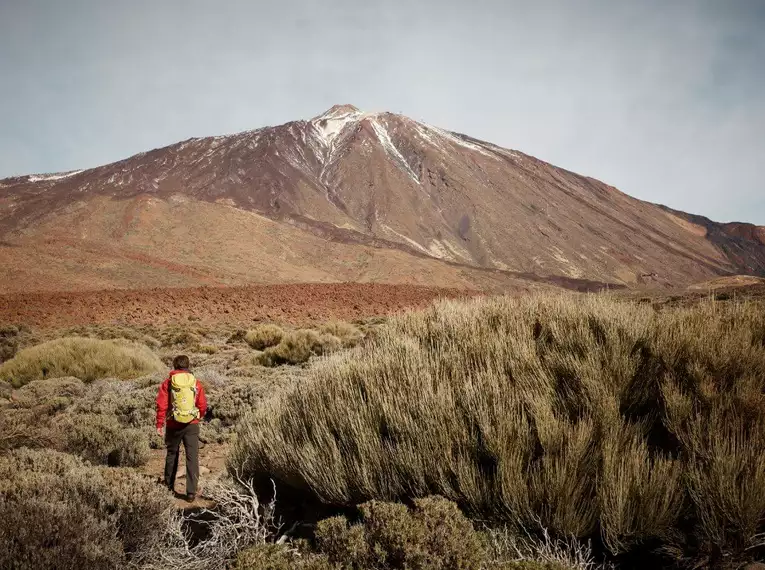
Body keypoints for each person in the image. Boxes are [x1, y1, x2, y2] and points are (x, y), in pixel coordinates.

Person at [155, 355, 207, 502]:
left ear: (174, 366)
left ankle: (169, 487)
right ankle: (190, 493)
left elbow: (162, 405)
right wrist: (197, 416)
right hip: (192, 424)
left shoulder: (168, 383)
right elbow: (202, 404)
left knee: (172, 454)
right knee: (192, 457)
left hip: (173, 424)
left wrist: (159, 424)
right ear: (188, 365)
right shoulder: (195, 383)